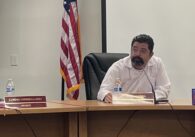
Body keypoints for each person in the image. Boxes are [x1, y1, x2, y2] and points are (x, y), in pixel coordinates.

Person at [97, 34, 171, 103]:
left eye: (143, 51)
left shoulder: (157, 64)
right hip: (123, 110)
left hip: (148, 108)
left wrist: (150, 98)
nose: (137, 54)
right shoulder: (118, 67)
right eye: (134, 49)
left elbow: (164, 88)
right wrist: (106, 95)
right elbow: (103, 91)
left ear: (151, 55)